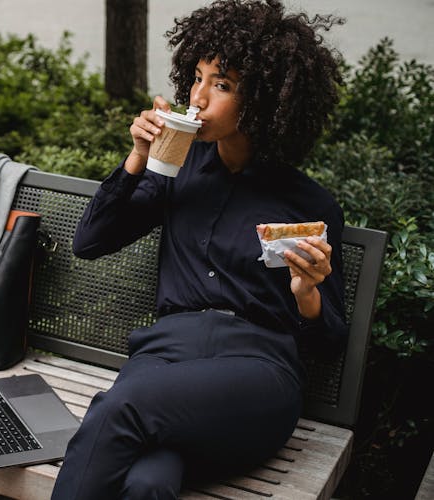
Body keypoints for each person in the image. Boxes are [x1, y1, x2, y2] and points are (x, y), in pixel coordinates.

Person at [51, 0, 348, 498]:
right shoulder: (177, 170)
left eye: (222, 84)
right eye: (197, 77)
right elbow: (90, 241)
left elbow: (329, 345)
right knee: (148, 484)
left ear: (266, 100)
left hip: (255, 375)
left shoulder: (308, 204)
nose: (198, 97)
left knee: (120, 407)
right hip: (164, 362)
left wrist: (307, 293)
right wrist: (138, 157)